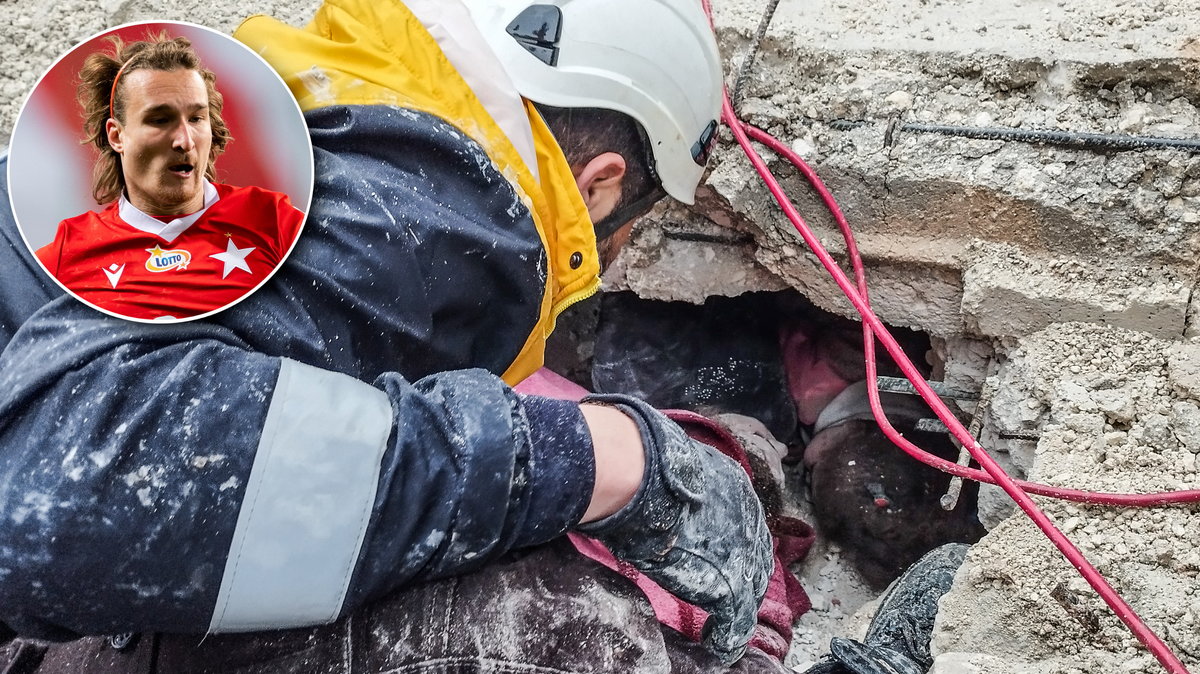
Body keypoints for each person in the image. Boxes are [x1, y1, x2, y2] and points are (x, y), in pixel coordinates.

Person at [0, 0, 778, 671]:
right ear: (600, 183)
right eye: (623, 237)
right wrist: (602, 461)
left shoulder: (315, 127)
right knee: (570, 629)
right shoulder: (431, 206)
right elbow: (65, 490)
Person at [34, 34, 305, 321]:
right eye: (160, 120)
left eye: (197, 119)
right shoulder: (69, 252)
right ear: (117, 136)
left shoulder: (274, 221)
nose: (185, 140)